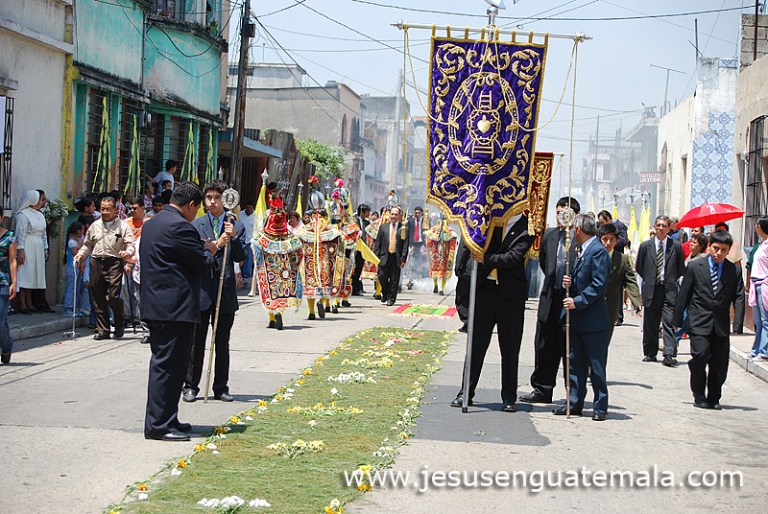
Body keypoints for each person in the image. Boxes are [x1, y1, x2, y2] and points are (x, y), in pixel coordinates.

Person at [142, 182, 217, 441]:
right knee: (167, 368)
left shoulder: (152, 223)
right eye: (197, 209)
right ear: (191, 205)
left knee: (171, 368)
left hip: (159, 306)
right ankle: (158, 425)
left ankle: (168, 417)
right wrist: (209, 251)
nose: (195, 215)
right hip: (173, 309)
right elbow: (199, 263)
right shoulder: (180, 227)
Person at [450, 214, 535, 412]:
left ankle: (508, 397)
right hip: (484, 290)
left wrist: (485, 259)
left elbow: (512, 258)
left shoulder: (526, 227)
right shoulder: (489, 220)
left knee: (510, 348)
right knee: (476, 346)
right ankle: (465, 392)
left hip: (510, 297)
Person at [183, 180, 245, 403]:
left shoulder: (234, 224)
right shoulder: (196, 225)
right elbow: (194, 253)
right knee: (196, 342)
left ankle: (221, 387)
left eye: (217, 198)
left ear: (225, 200)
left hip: (224, 291)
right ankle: (190, 385)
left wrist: (234, 236)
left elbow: (240, 257)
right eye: (208, 198)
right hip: (202, 291)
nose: (212, 202)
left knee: (222, 342)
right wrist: (216, 244)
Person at [519, 197, 581, 404]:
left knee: (569, 347)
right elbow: (546, 263)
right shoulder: (550, 236)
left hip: (572, 299)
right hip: (550, 297)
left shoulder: (581, 239)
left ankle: (572, 394)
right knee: (544, 344)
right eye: (558, 212)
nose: (561, 217)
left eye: (566, 213)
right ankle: (542, 389)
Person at [673, 230, 744, 409]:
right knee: (700, 355)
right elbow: (684, 293)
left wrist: (738, 324)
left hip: (720, 324)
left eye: (723, 250)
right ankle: (698, 394)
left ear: (728, 251)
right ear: (709, 248)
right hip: (698, 321)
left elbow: (739, 296)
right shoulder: (696, 267)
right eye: (716, 248)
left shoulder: (733, 270)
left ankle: (714, 397)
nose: (719, 253)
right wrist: (677, 319)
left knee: (719, 363)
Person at [555, 213, 612, 421]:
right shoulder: (583, 250)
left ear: (578, 229)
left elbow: (599, 285)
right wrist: (571, 282)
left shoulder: (598, 252)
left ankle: (600, 406)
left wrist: (577, 301)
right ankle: (574, 402)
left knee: (596, 366)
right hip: (578, 320)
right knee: (575, 365)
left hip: (593, 321)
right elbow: (585, 278)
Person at [75, 196, 135, 340]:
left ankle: (119, 322)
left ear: (115, 210)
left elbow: (130, 244)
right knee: (98, 297)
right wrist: (80, 255)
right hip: (96, 262)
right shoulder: (95, 225)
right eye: (102, 209)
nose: (105, 212)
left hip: (114, 262)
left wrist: (127, 253)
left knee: (113, 296)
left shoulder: (123, 226)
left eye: (108, 209)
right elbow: (88, 244)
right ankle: (103, 330)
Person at [635, 215, 685, 366]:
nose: (661, 228)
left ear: (669, 228)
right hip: (651, 288)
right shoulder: (646, 246)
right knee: (650, 322)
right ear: (654, 227)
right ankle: (650, 352)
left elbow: (680, 268)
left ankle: (669, 353)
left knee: (668, 321)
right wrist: (650, 280)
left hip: (668, 289)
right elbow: (639, 267)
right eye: (658, 225)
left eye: (664, 226)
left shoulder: (675, 246)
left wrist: (669, 280)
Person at [252, 196, 303, 330]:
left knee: (270, 291)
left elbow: (254, 245)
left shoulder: (263, 237)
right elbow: (299, 253)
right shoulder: (290, 238)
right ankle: (279, 313)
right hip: (285, 270)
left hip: (269, 270)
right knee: (283, 291)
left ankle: (272, 319)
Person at [598, 223, 642, 343]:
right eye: (605, 239)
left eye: (611, 239)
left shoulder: (622, 259)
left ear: (617, 241)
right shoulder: (592, 256)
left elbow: (630, 280)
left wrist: (636, 301)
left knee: (605, 341)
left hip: (611, 306)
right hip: (592, 305)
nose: (608, 243)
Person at [15, 190, 49, 314]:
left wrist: (45, 248)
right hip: (27, 246)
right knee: (25, 274)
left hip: (38, 247)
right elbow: (20, 234)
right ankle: (23, 304)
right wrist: (21, 250)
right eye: (41, 199)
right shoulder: (23, 215)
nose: (43, 202)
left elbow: (43, 233)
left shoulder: (40, 215)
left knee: (33, 275)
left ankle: (30, 302)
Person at [675, 233, 709, 344]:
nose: (691, 244)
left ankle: (674, 341)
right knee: (684, 316)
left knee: (685, 316)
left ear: (700, 246)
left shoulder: (703, 259)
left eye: (694, 243)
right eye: (691, 241)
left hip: (694, 293)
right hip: (683, 289)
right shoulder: (690, 256)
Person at [374, 205, 409, 306]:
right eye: (392, 214)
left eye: (396, 214)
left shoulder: (403, 228)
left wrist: (403, 258)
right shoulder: (383, 227)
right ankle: (385, 293)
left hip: (396, 257)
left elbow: (405, 245)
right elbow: (378, 243)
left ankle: (391, 298)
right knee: (381, 277)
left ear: (399, 216)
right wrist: (376, 256)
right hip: (384, 256)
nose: (393, 216)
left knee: (394, 279)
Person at [747, 218, 768, 360]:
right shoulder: (760, 245)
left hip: (764, 284)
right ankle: (756, 348)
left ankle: (764, 351)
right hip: (756, 284)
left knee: (765, 319)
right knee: (758, 321)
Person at [0, 209, 17, 364]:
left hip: (3, 281)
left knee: (1, 319)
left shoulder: (9, 236)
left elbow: (12, 261)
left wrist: (14, 282)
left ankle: (6, 345)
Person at [426, 217, 458, 295]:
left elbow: (453, 239)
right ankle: (437, 286)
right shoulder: (434, 230)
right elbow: (429, 238)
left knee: (444, 270)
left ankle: (440, 288)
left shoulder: (450, 231)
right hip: (437, 253)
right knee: (436, 268)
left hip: (443, 254)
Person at [63, 222, 88, 318]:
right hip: (72, 267)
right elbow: (76, 255)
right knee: (71, 288)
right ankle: (68, 307)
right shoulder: (72, 243)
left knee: (76, 289)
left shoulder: (75, 241)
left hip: (76, 268)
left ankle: (75, 307)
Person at [352, 204, 371, 295]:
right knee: (353, 268)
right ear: (363, 212)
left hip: (363, 249)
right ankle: (353, 287)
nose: (369, 213)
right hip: (354, 248)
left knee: (359, 268)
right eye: (368, 211)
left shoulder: (367, 222)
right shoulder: (353, 220)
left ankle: (357, 287)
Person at [454, 239, 472, 333]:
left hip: (468, 269)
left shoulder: (468, 228)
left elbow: (463, 249)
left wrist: (458, 266)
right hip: (484, 269)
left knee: (462, 297)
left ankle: (468, 321)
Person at [239, 200, 255, 288]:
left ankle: (247, 278)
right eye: (247, 208)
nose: (249, 210)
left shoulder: (256, 216)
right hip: (241, 240)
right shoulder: (240, 214)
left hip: (250, 241)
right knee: (240, 259)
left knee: (248, 260)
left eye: (250, 208)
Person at [407, 206, 427, 278]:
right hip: (413, 243)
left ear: (422, 213)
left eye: (418, 213)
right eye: (416, 213)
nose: (417, 214)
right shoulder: (410, 221)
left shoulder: (425, 221)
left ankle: (421, 274)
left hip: (422, 243)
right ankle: (413, 274)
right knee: (413, 259)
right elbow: (408, 233)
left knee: (421, 259)